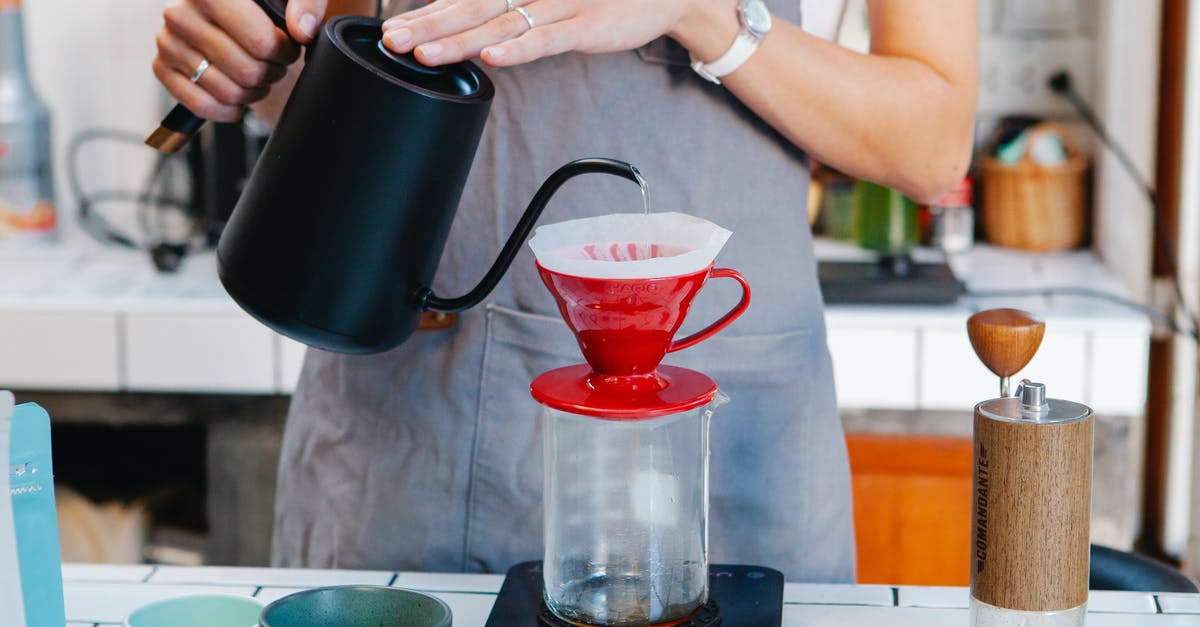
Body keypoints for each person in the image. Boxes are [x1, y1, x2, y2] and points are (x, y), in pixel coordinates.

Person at [153, 0, 977, 581]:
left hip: (709, 436)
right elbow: (320, 66)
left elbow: (932, 141)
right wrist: (243, 57)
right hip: (410, 429)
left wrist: (700, 15)